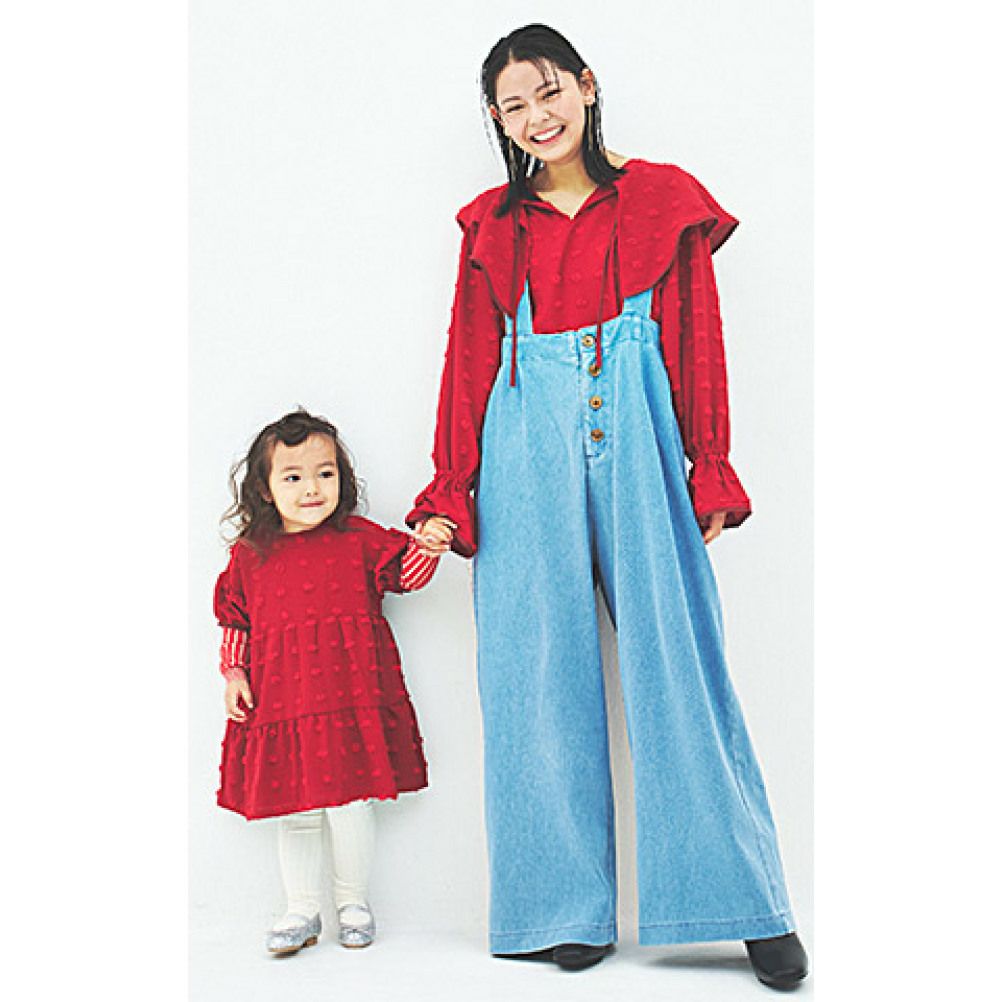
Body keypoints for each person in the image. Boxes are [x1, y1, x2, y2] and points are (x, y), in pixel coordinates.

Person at [407, 23, 808, 989]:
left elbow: (698, 341)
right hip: (521, 441)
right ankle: (561, 908)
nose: (537, 117)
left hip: (638, 429)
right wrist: (450, 492)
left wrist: (709, 466)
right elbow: (469, 363)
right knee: (534, 671)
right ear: (497, 119)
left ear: (585, 86)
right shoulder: (492, 226)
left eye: (549, 92)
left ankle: (745, 905)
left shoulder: (663, 200)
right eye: (514, 106)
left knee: (679, 667)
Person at [214, 408, 454, 955]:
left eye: (325, 474)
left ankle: (353, 903)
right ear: (266, 489)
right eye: (293, 477)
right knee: (295, 810)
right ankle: (301, 909)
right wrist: (234, 673)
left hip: (351, 697)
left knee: (350, 806)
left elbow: (406, 575)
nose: (312, 489)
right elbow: (235, 619)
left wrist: (429, 545)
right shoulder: (250, 555)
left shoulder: (360, 539)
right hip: (284, 701)